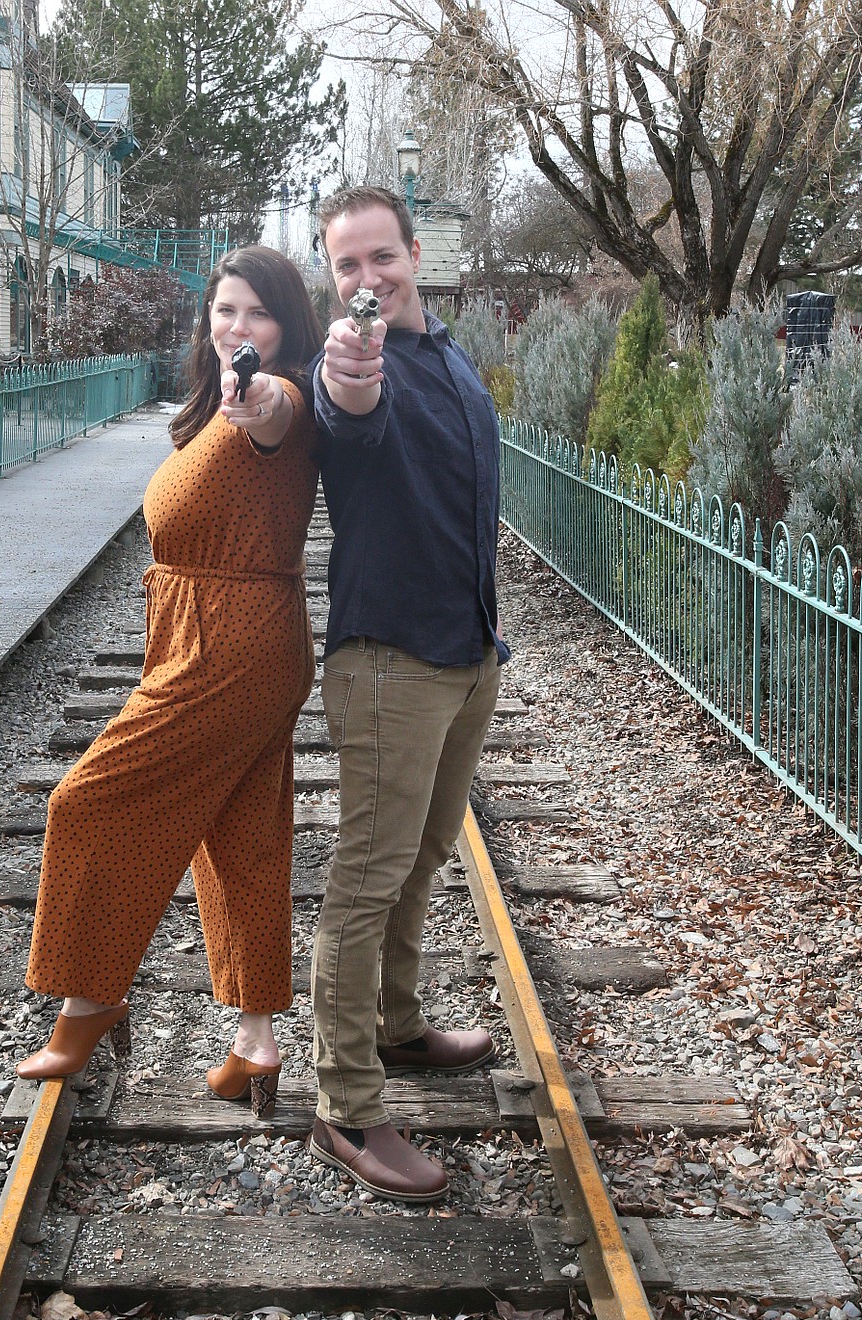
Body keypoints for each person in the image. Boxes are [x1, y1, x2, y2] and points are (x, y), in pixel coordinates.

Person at [16, 245, 324, 1122]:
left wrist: (258, 392)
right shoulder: (206, 407)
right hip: (221, 640)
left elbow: (277, 411)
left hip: (229, 647)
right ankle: (256, 1041)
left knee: (87, 802)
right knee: (241, 838)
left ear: (285, 327)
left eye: (257, 313)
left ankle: (89, 999)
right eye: (225, 310)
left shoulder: (281, 398)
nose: (237, 327)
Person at [308, 187, 510, 1202]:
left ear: (414, 253)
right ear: (331, 276)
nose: (368, 278)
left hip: (465, 652)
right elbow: (352, 408)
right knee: (369, 873)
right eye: (347, 265)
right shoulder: (353, 362)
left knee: (425, 853)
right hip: (389, 661)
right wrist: (348, 371)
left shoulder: (450, 354)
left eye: (380, 257)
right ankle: (345, 1104)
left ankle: (396, 1021)